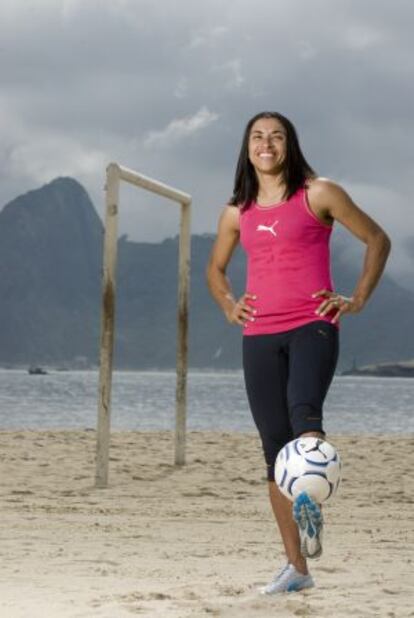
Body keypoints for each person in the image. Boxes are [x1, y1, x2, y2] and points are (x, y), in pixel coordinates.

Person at [206, 111, 391, 594]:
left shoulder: (318, 193)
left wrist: (358, 299)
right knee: (273, 448)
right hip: (259, 335)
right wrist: (229, 304)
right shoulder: (236, 212)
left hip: (314, 324)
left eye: (277, 136)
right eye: (258, 137)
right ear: (247, 148)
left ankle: (310, 497)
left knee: (304, 419)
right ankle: (297, 570)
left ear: (291, 144)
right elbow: (215, 269)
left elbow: (377, 239)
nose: (266, 144)